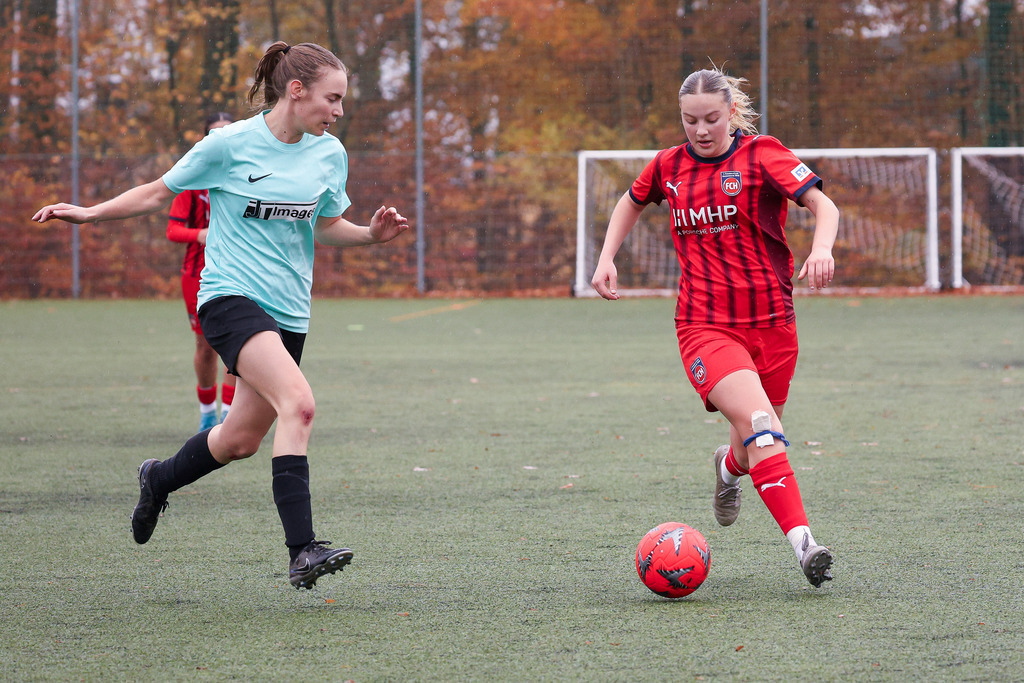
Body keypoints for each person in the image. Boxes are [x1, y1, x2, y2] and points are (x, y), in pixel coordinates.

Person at [33, 41, 409, 590]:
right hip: (230, 299)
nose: (339, 111)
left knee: (239, 441)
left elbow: (325, 226)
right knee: (299, 406)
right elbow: (157, 193)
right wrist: (90, 212)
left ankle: (158, 478)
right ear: (296, 90)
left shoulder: (329, 153)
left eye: (342, 102)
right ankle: (302, 549)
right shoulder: (228, 144)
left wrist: (372, 236)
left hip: (289, 313)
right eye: (333, 99)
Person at [591, 67, 840, 588]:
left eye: (710, 119)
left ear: (730, 112)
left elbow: (823, 203)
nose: (700, 130)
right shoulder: (668, 166)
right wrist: (606, 257)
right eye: (689, 120)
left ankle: (729, 469)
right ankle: (805, 546)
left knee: (753, 446)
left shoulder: (761, 154)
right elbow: (630, 202)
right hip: (704, 326)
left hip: (773, 325)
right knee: (765, 426)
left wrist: (821, 247)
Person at [166, 111, 236, 432]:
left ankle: (231, 415)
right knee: (205, 345)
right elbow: (173, 230)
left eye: (227, 132)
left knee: (240, 343)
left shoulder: (248, 176)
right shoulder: (192, 183)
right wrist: (201, 234)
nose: (220, 139)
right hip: (197, 273)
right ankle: (208, 412)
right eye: (214, 133)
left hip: (240, 271)